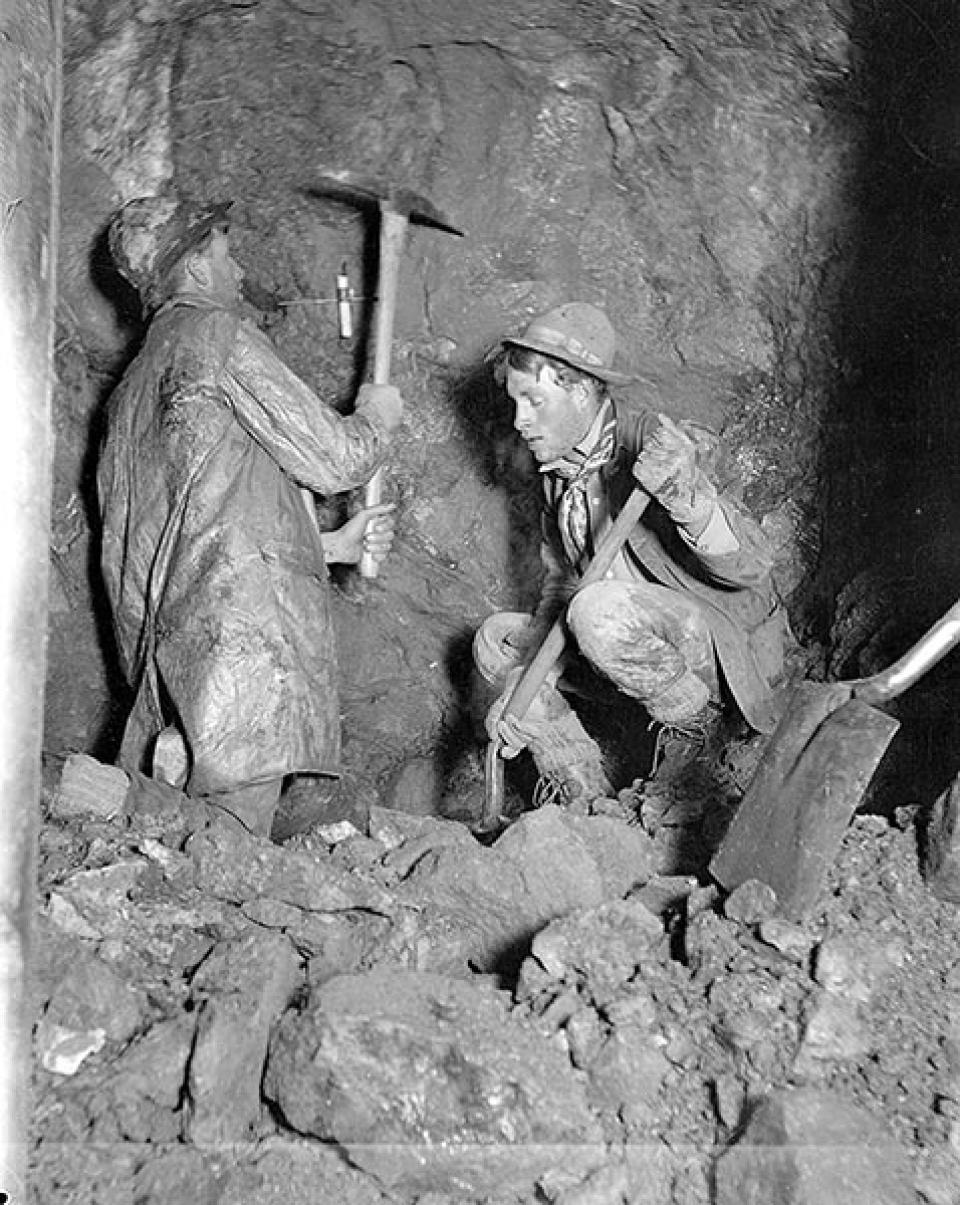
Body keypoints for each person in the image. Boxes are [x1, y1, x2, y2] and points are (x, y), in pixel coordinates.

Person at [98, 193, 403, 839]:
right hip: (244, 652)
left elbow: (186, 534)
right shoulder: (218, 336)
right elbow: (336, 458)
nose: (238, 272)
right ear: (198, 270)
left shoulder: (128, 392)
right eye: (227, 255)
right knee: (229, 849)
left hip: (173, 657)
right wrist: (379, 414)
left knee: (177, 837)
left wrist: (330, 545)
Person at [475, 302, 786, 810]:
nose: (519, 420)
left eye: (532, 400)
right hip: (621, 645)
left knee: (595, 610)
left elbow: (752, 566)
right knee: (497, 644)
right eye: (514, 403)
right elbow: (563, 583)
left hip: (718, 650)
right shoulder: (557, 479)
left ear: (578, 387)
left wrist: (689, 498)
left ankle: (697, 739)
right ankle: (582, 796)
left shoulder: (653, 442)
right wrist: (529, 684)